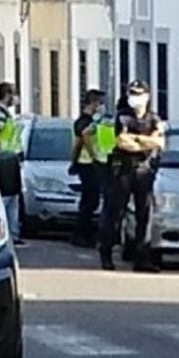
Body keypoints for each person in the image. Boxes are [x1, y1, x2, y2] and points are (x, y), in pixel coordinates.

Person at [98, 80, 165, 272]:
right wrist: (146, 141)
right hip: (122, 171)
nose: (135, 98)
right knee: (115, 213)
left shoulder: (154, 118)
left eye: (138, 94)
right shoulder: (123, 117)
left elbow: (160, 143)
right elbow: (122, 142)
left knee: (144, 215)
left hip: (144, 170)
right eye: (132, 94)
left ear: (147, 96)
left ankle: (142, 258)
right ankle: (106, 253)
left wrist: (138, 140)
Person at [0, 82, 25, 246]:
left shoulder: (4, 114)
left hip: (10, 161)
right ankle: (3, 233)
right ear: (7, 95)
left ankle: (13, 234)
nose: (16, 98)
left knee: (13, 198)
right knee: (6, 199)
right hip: (4, 162)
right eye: (14, 94)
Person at [70, 89, 107, 248]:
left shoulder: (94, 121)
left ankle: (84, 234)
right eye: (100, 102)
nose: (102, 106)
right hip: (88, 164)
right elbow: (80, 142)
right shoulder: (84, 122)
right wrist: (89, 157)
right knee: (89, 202)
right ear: (93, 103)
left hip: (93, 163)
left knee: (90, 201)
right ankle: (81, 235)